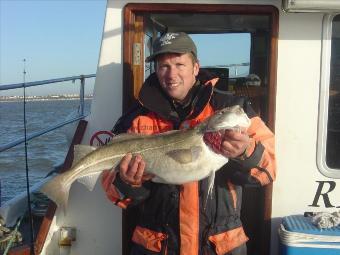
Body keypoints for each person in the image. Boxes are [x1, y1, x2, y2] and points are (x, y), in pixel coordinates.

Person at [102, 32, 276, 255]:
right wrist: (128, 183)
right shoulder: (137, 117)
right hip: (156, 246)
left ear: (196, 67)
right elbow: (113, 191)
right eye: (164, 66)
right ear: (156, 70)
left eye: (180, 64)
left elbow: (270, 167)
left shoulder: (230, 109)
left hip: (220, 246)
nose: (171, 74)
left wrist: (246, 152)